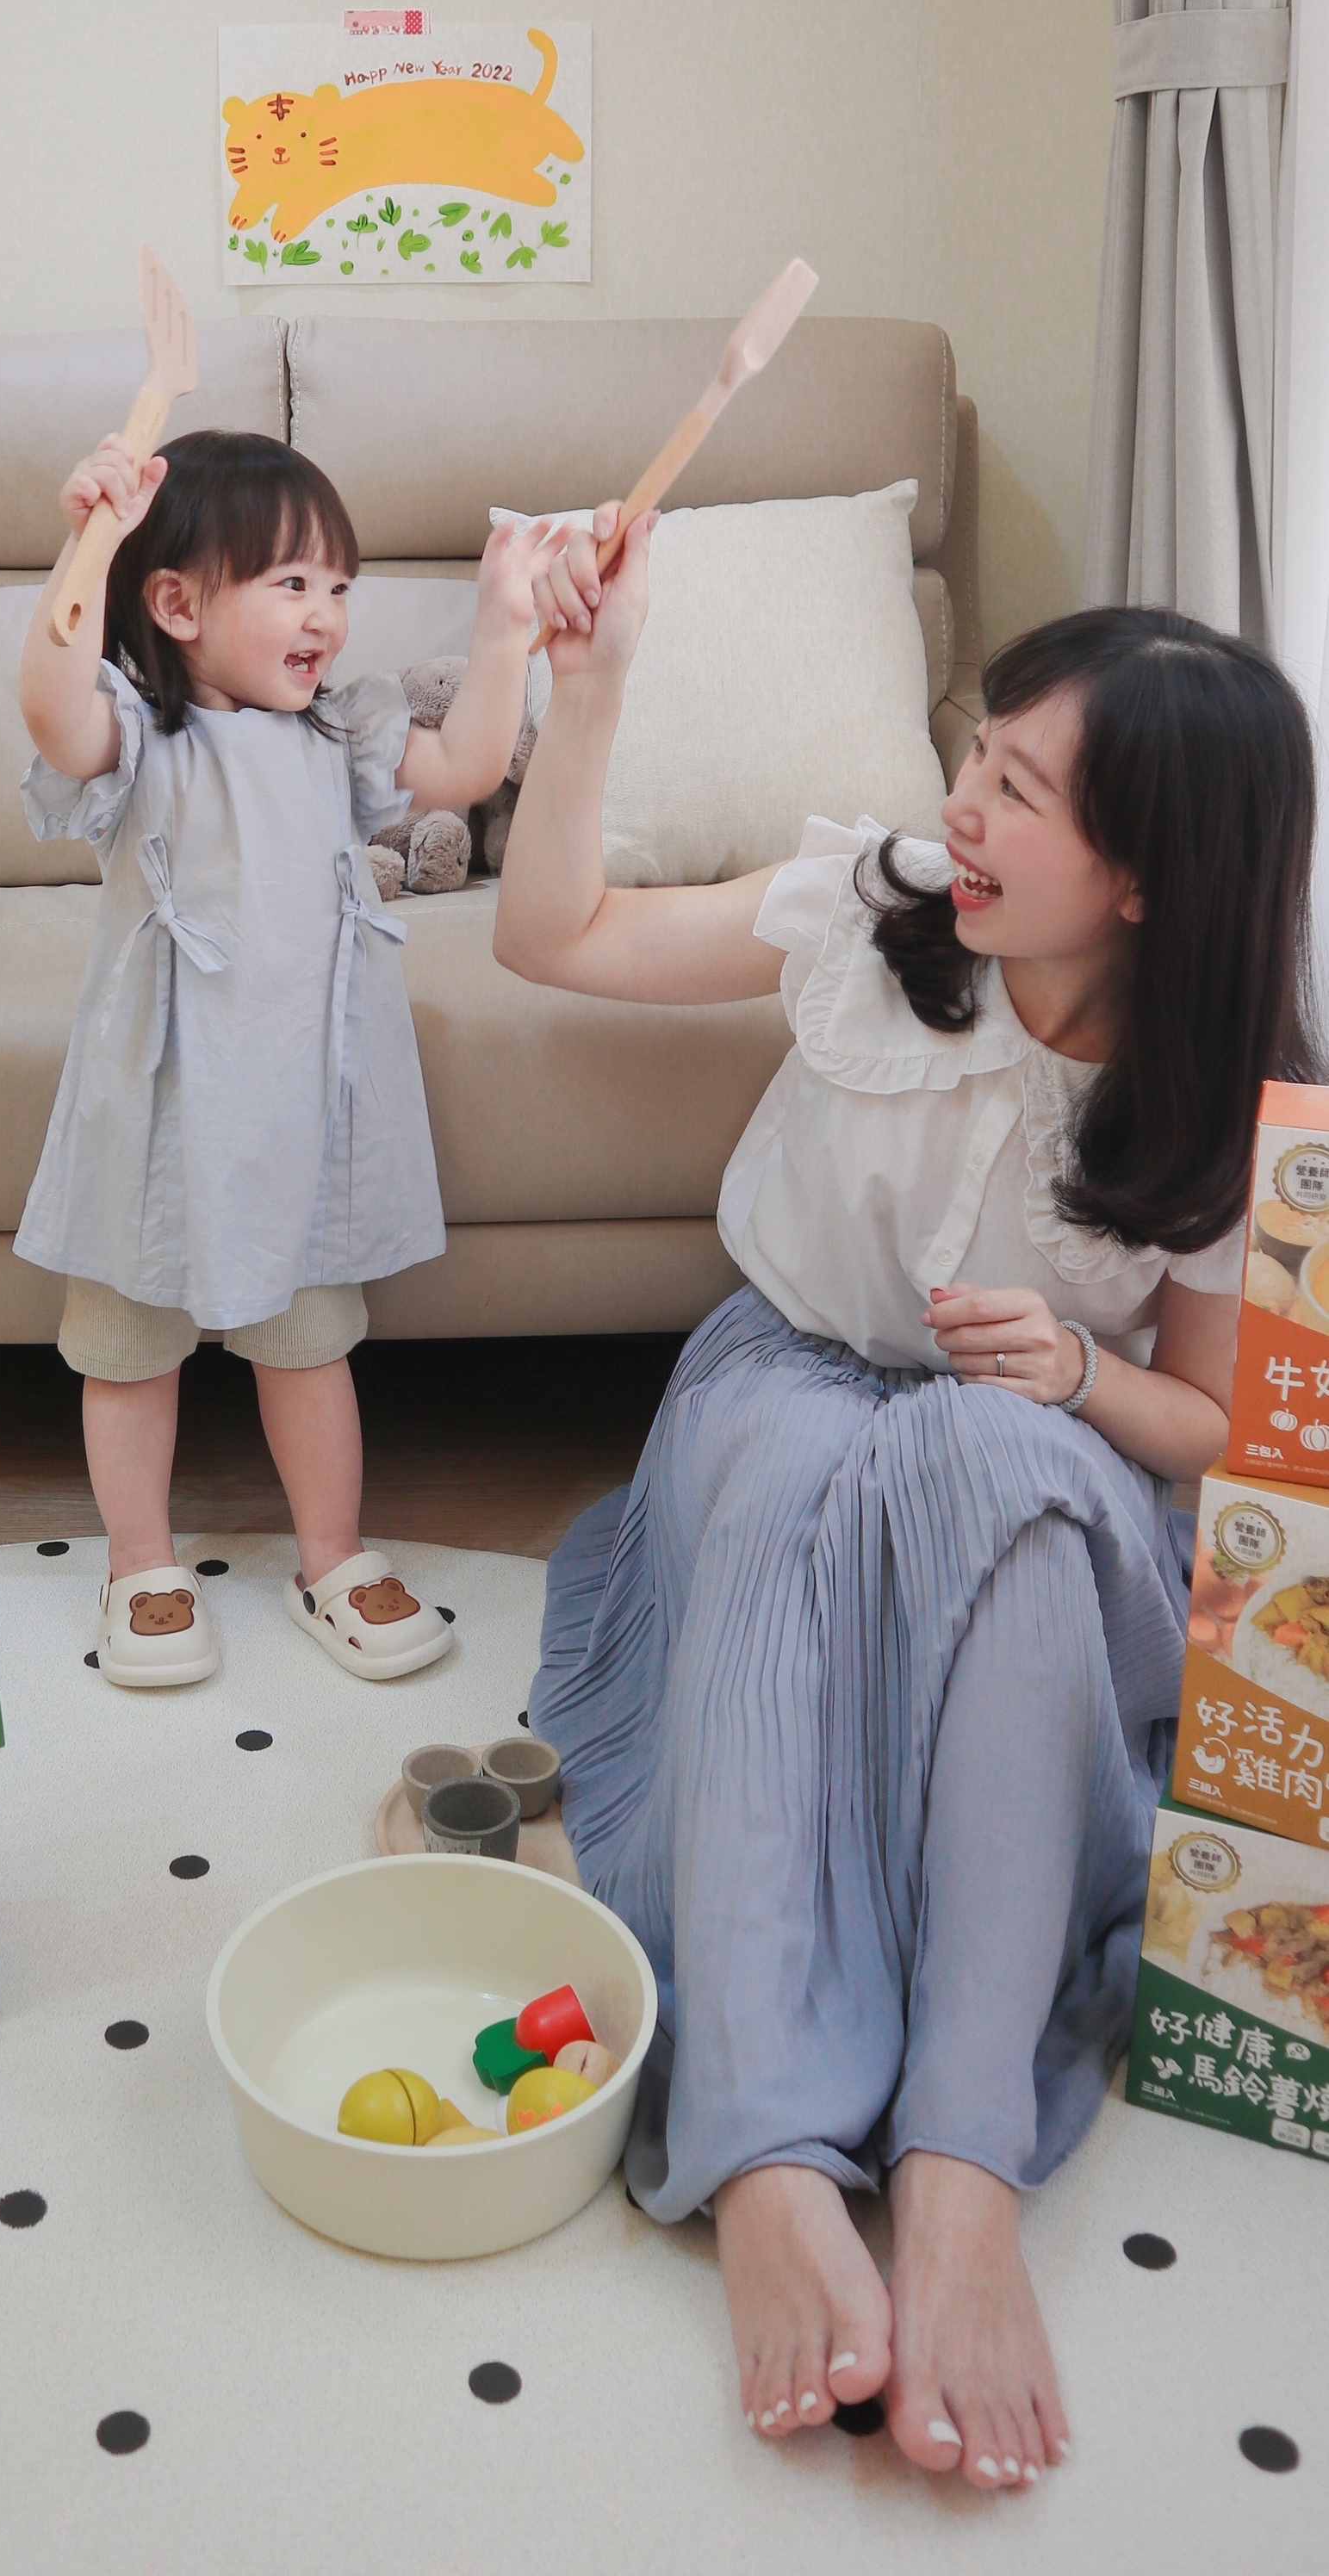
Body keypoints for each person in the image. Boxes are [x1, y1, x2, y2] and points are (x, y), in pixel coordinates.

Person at [495, 508, 1318, 2493]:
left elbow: (1214, 1427)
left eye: (1021, 788)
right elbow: (554, 937)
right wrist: (587, 695)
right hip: (788, 1373)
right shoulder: (870, 907)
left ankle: (962, 2164)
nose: (964, 802)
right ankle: (765, 2152)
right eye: (980, 752)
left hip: (1038, 1442)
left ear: (1146, 878)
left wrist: (1076, 1375)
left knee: (995, 1468)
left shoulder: (1227, 1109)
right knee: (793, 1473)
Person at [16, 424, 562, 1687]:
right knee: (127, 1347)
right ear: (177, 606)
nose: (326, 614)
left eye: (339, 586)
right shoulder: (136, 736)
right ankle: (139, 1563)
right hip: (157, 1107)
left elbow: (469, 765)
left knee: (310, 1340)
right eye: (292, 583)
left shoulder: (338, 735)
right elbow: (49, 706)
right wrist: (89, 541)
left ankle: (331, 1553)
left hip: (297, 1107)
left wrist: (502, 628)